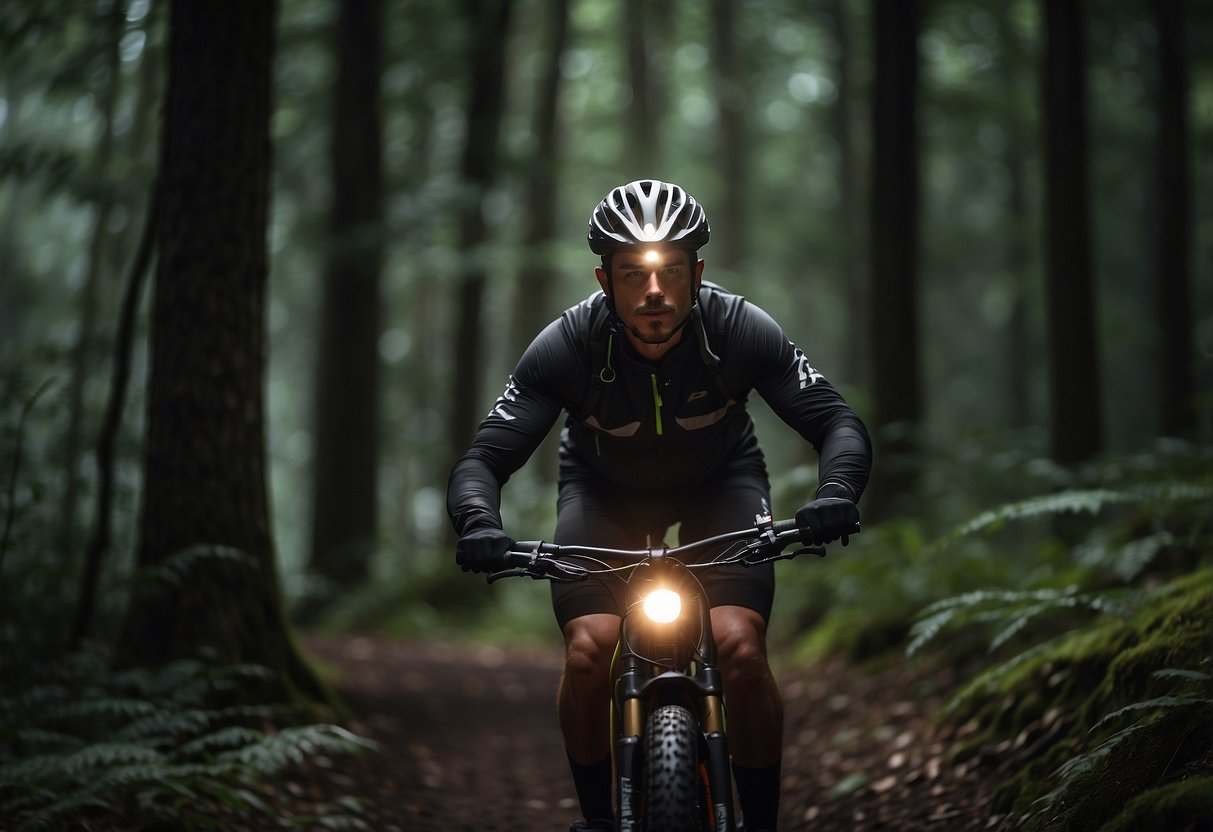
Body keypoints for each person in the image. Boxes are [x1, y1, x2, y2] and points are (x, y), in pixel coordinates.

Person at [447, 179, 871, 832]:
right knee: (590, 648)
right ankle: (594, 819)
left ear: (696, 272)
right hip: (601, 492)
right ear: (604, 278)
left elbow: (835, 423)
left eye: (671, 272)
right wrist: (480, 524)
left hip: (720, 484)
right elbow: (484, 459)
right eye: (633, 274)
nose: (653, 292)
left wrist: (835, 493)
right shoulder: (567, 346)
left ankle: (759, 821)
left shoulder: (739, 331)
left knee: (738, 645)